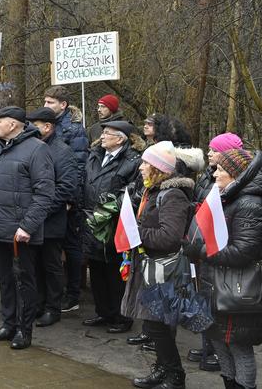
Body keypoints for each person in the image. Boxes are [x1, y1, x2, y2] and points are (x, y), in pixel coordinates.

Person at [117, 141, 193, 389]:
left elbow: (169, 237)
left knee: (159, 326)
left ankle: (175, 375)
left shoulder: (173, 196)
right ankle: (162, 369)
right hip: (150, 267)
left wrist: (136, 231)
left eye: (146, 163)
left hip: (163, 270)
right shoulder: (154, 191)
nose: (141, 167)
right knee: (153, 325)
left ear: (158, 168)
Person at [184, 149, 262, 389]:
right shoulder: (227, 196)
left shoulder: (249, 203)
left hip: (237, 290)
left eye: (221, 170)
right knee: (220, 343)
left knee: (238, 347)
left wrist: (202, 251)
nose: (215, 174)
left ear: (236, 175)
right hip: (217, 284)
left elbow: (244, 251)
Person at [0, 106, 54, 349]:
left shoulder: (38, 150)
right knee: (6, 281)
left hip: (20, 233)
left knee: (24, 282)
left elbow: (44, 194)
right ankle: (8, 324)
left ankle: (24, 329)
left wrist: (27, 227)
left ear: (12, 125)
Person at [82, 120, 143, 333]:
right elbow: (85, 181)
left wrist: (109, 208)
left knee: (115, 271)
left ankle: (121, 316)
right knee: (97, 268)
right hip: (91, 219)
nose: (103, 136)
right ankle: (103, 312)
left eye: (108, 133)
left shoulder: (133, 161)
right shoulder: (95, 154)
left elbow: (134, 191)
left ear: (120, 139)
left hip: (114, 223)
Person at [27, 107, 78, 327]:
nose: (29, 128)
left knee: (51, 265)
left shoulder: (62, 151)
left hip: (51, 220)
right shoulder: (33, 147)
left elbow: (66, 187)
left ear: (47, 127)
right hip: (33, 219)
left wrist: (41, 209)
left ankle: (52, 307)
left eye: (34, 124)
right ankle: (38, 303)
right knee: (35, 264)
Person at [43, 85, 89, 312]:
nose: (46, 106)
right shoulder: (46, 126)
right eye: (45, 102)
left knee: (71, 245)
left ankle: (73, 294)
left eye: (50, 102)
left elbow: (78, 166)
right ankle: (55, 291)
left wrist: (71, 198)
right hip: (49, 193)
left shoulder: (74, 130)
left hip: (68, 198)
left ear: (63, 105)